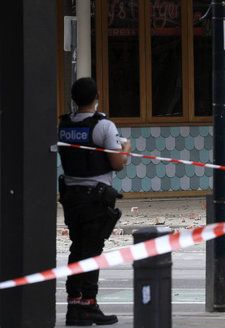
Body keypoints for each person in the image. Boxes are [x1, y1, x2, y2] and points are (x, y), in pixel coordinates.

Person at [58, 77, 130, 326]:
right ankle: (89, 304)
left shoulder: (64, 124)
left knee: (77, 248)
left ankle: (74, 304)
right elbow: (117, 163)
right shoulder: (104, 126)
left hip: (70, 197)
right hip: (94, 198)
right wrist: (126, 149)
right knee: (92, 251)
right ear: (96, 96)